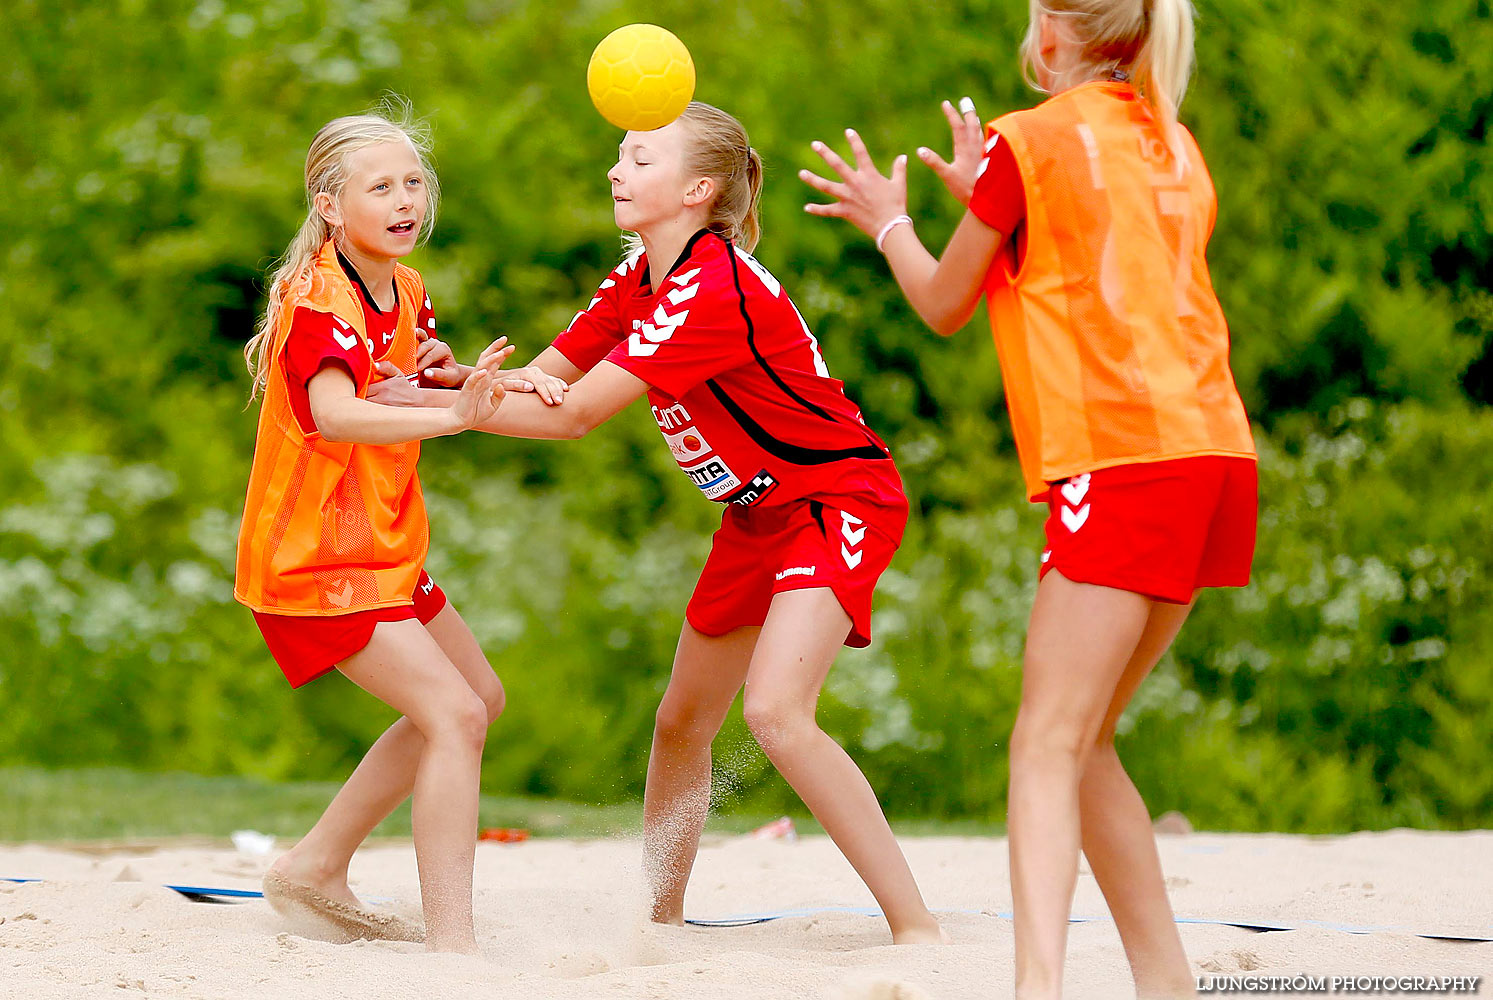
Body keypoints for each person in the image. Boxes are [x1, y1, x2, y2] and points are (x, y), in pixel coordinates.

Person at [386, 101, 944, 944]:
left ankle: (916, 928)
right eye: (619, 156)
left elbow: (571, 419)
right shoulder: (640, 277)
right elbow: (542, 384)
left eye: (640, 159)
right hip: (756, 514)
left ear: (698, 188)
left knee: (776, 714)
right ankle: (662, 922)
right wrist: (444, 381)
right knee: (682, 720)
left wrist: (443, 410)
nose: (616, 171)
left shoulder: (709, 286)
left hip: (835, 499)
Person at [799, 0, 1256, 995]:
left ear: (1052, 30)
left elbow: (940, 301)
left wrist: (890, 223)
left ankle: (1033, 985)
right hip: (1213, 452)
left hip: (1123, 453)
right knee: (1082, 741)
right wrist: (986, 208)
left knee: (1043, 742)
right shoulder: (1171, 140)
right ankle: (1165, 982)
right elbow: (1089, 267)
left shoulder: (1033, 139)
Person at [234, 105, 516, 954]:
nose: (404, 199)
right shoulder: (316, 294)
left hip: (378, 547)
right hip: (312, 557)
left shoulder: (406, 286)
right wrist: (456, 417)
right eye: (380, 185)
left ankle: (314, 865)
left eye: (413, 182)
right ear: (329, 204)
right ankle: (454, 948)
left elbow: (396, 390)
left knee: (478, 702)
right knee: (457, 716)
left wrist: (453, 385)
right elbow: (336, 415)